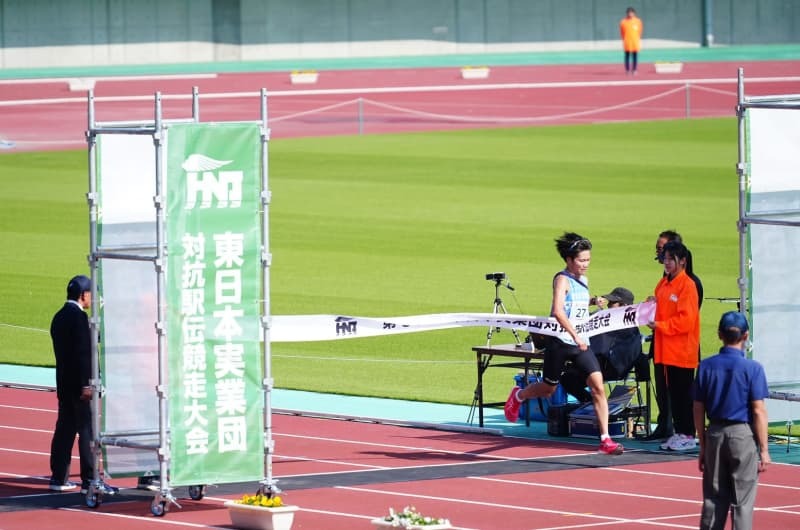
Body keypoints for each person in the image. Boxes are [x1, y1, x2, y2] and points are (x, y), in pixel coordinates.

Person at [505, 232, 624, 455]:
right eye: (581, 260)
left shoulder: (583, 280)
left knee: (598, 387)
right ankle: (518, 396)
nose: (586, 264)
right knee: (548, 389)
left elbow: (574, 304)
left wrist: (591, 301)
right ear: (569, 260)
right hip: (561, 342)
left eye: (588, 260)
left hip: (580, 344)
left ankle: (605, 439)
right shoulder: (562, 279)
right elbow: (557, 311)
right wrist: (575, 335)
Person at [693, 311, 770, 530]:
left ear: (719, 334)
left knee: (713, 498)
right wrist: (763, 449)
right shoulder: (753, 368)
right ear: (746, 336)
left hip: (715, 432)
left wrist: (703, 442)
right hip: (742, 434)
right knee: (743, 501)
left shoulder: (706, 366)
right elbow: (758, 410)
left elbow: (698, 407)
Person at [48, 275, 117, 495]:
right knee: (86, 431)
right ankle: (89, 479)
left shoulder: (58, 317)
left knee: (64, 430)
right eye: (90, 295)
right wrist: (87, 384)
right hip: (80, 386)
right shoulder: (79, 318)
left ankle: (59, 477)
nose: (92, 299)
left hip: (64, 384)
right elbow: (84, 355)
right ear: (83, 295)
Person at [645, 229, 704, 442]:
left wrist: (659, 324)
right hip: (665, 350)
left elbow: (686, 321)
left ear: (682, 261)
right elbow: (663, 307)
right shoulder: (664, 283)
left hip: (681, 351)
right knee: (674, 395)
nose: (667, 263)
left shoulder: (687, 285)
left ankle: (687, 434)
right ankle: (680, 433)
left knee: (683, 395)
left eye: (671, 259)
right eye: (665, 259)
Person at [560, 286, 646, 403]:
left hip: (610, 367)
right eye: (609, 302)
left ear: (624, 306)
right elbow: (577, 319)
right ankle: (594, 405)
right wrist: (593, 305)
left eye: (612, 303)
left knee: (568, 378)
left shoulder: (624, 324)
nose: (609, 305)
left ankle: (594, 405)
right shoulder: (612, 318)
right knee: (568, 375)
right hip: (604, 364)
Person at [619, 7, 643, 75]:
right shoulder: (623, 22)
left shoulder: (638, 21)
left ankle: (634, 70)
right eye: (629, 12)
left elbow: (640, 31)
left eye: (631, 12)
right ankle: (627, 70)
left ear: (634, 13)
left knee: (635, 56)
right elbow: (622, 32)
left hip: (635, 42)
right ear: (627, 13)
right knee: (627, 56)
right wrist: (625, 39)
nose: (630, 14)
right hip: (627, 42)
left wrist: (637, 39)